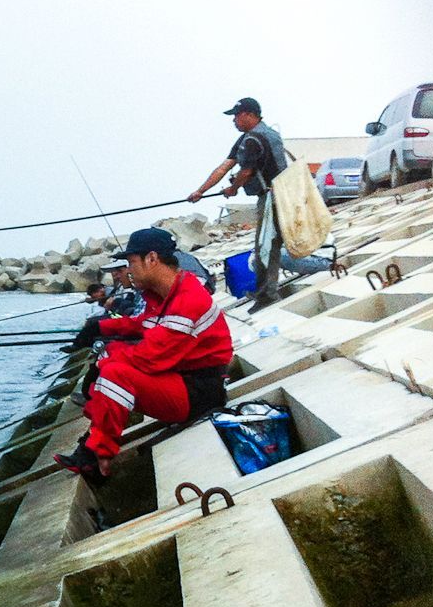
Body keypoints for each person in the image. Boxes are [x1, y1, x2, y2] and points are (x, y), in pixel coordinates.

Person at [53, 227, 233, 481]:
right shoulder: (166, 294)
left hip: (200, 392)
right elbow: (142, 325)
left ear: (151, 259)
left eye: (131, 262)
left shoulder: (187, 299)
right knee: (112, 362)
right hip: (183, 380)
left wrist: (105, 360)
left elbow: (151, 357)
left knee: (115, 373)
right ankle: (95, 445)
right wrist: (100, 327)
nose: (127, 270)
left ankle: (96, 454)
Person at [187, 96, 288, 308]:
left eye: (237, 116)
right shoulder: (266, 134)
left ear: (250, 115)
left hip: (272, 197)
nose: (234, 121)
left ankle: (267, 295)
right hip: (285, 193)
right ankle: (265, 291)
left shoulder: (252, 139)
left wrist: (233, 188)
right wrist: (201, 191)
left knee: (265, 246)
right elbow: (223, 167)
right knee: (271, 244)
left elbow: (246, 171)